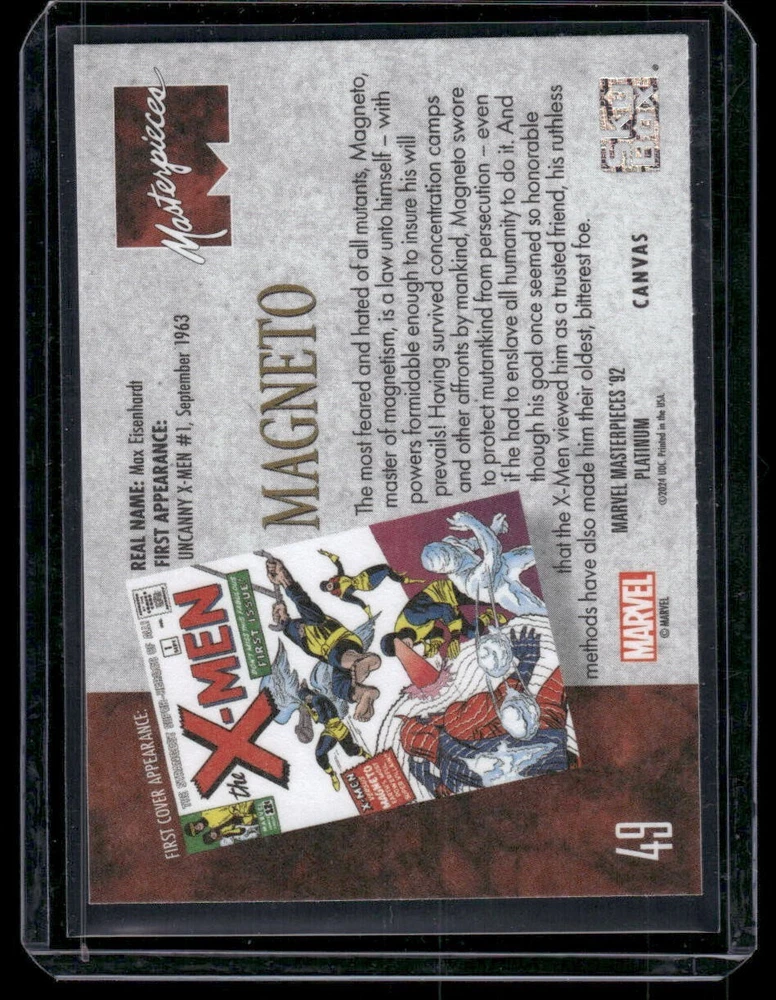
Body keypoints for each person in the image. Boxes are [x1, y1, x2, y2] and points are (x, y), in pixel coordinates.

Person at [266, 556, 382, 722]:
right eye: (277, 616)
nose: (278, 615)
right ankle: (364, 694)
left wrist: (283, 577)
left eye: (279, 614)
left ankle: (368, 660)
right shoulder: (291, 631)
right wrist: (283, 620)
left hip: (341, 642)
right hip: (333, 658)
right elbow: (287, 625)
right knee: (338, 687)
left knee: (337, 653)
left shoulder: (313, 619)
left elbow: (301, 599)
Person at [421, 510, 547, 616]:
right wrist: (472, 523)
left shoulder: (451, 543)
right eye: (447, 562)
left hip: (502, 565)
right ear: (444, 571)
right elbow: (492, 550)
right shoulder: (471, 583)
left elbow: (472, 544)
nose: (454, 556)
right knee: (539, 613)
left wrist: (493, 530)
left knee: (543, 549)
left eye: (448, 550)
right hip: (500, 589)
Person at [380, 577, 504, 661]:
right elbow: (436, 631)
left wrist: (455, 637)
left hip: (446, 592)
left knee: (496, 598)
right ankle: (488, 615)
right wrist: (435, 644)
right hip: (445, 609)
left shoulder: (413, 618)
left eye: (400, 645)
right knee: (473, 633)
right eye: (401, 651)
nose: (405, 647)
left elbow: (444, 609)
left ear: (397, 636)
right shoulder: (410, 640)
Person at [296, 680, 371, 791]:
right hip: (333, 729)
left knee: (331, 753)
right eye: (305, 699)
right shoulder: (316, 699)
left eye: (306, 698)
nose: (306, 700)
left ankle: (334, 773)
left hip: (335, 728)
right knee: (327, 753)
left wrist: (310, 710)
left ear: (308, 695)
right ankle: (334, 773)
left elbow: (320, 719)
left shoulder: (317, 699)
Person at [318, 549, 422, 617]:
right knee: (386, 571)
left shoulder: (339, 578)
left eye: (328, 584)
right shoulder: (342, 595)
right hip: (368, 584)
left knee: (385, 566)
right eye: (328, 588)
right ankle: (404, 580)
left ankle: (397, 575)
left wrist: (327, 554)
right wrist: (369, 614)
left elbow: (338, 564)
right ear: (329, 591)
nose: (330, 586)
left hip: (364, 575)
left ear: (328, 581)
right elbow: (358, 601)